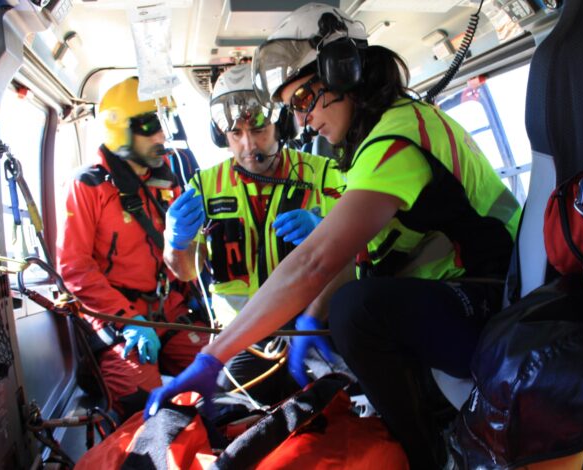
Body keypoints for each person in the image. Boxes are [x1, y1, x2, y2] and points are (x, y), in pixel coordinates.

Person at [147, 3, 521, 468]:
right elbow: (363, 253)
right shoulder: (370, 143)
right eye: (292, 109)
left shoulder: (392, 142)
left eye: (303, 101)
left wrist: (212, 358)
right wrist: (176, 243)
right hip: (462, 289)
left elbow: (317, 261)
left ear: (342, 70)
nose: (303, 122)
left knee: (356, 310)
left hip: (497, 294)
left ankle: (431, 456)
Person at [163, 63, 346, 405]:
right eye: (236, 134)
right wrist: (176, 241)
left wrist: (328, 231)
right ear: (223, 137)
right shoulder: (203, 185)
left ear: (280, 124)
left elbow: (366, 248)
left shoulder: (325, 174)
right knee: (220, 416)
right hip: (241, 335)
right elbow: (186, 271)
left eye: (259, 130)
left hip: (311, 325)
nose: (248, 145)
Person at [56, 77, 210, 420]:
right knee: (142, 402)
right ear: (119, 131)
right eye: (148, 125)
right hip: (117, 315)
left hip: (169, 307)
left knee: (221, 370)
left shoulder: (171, 178)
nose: (160, 137)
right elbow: (74, 268)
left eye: (163, 124)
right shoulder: (87, 186)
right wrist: (126, 321)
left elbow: (188, 255)